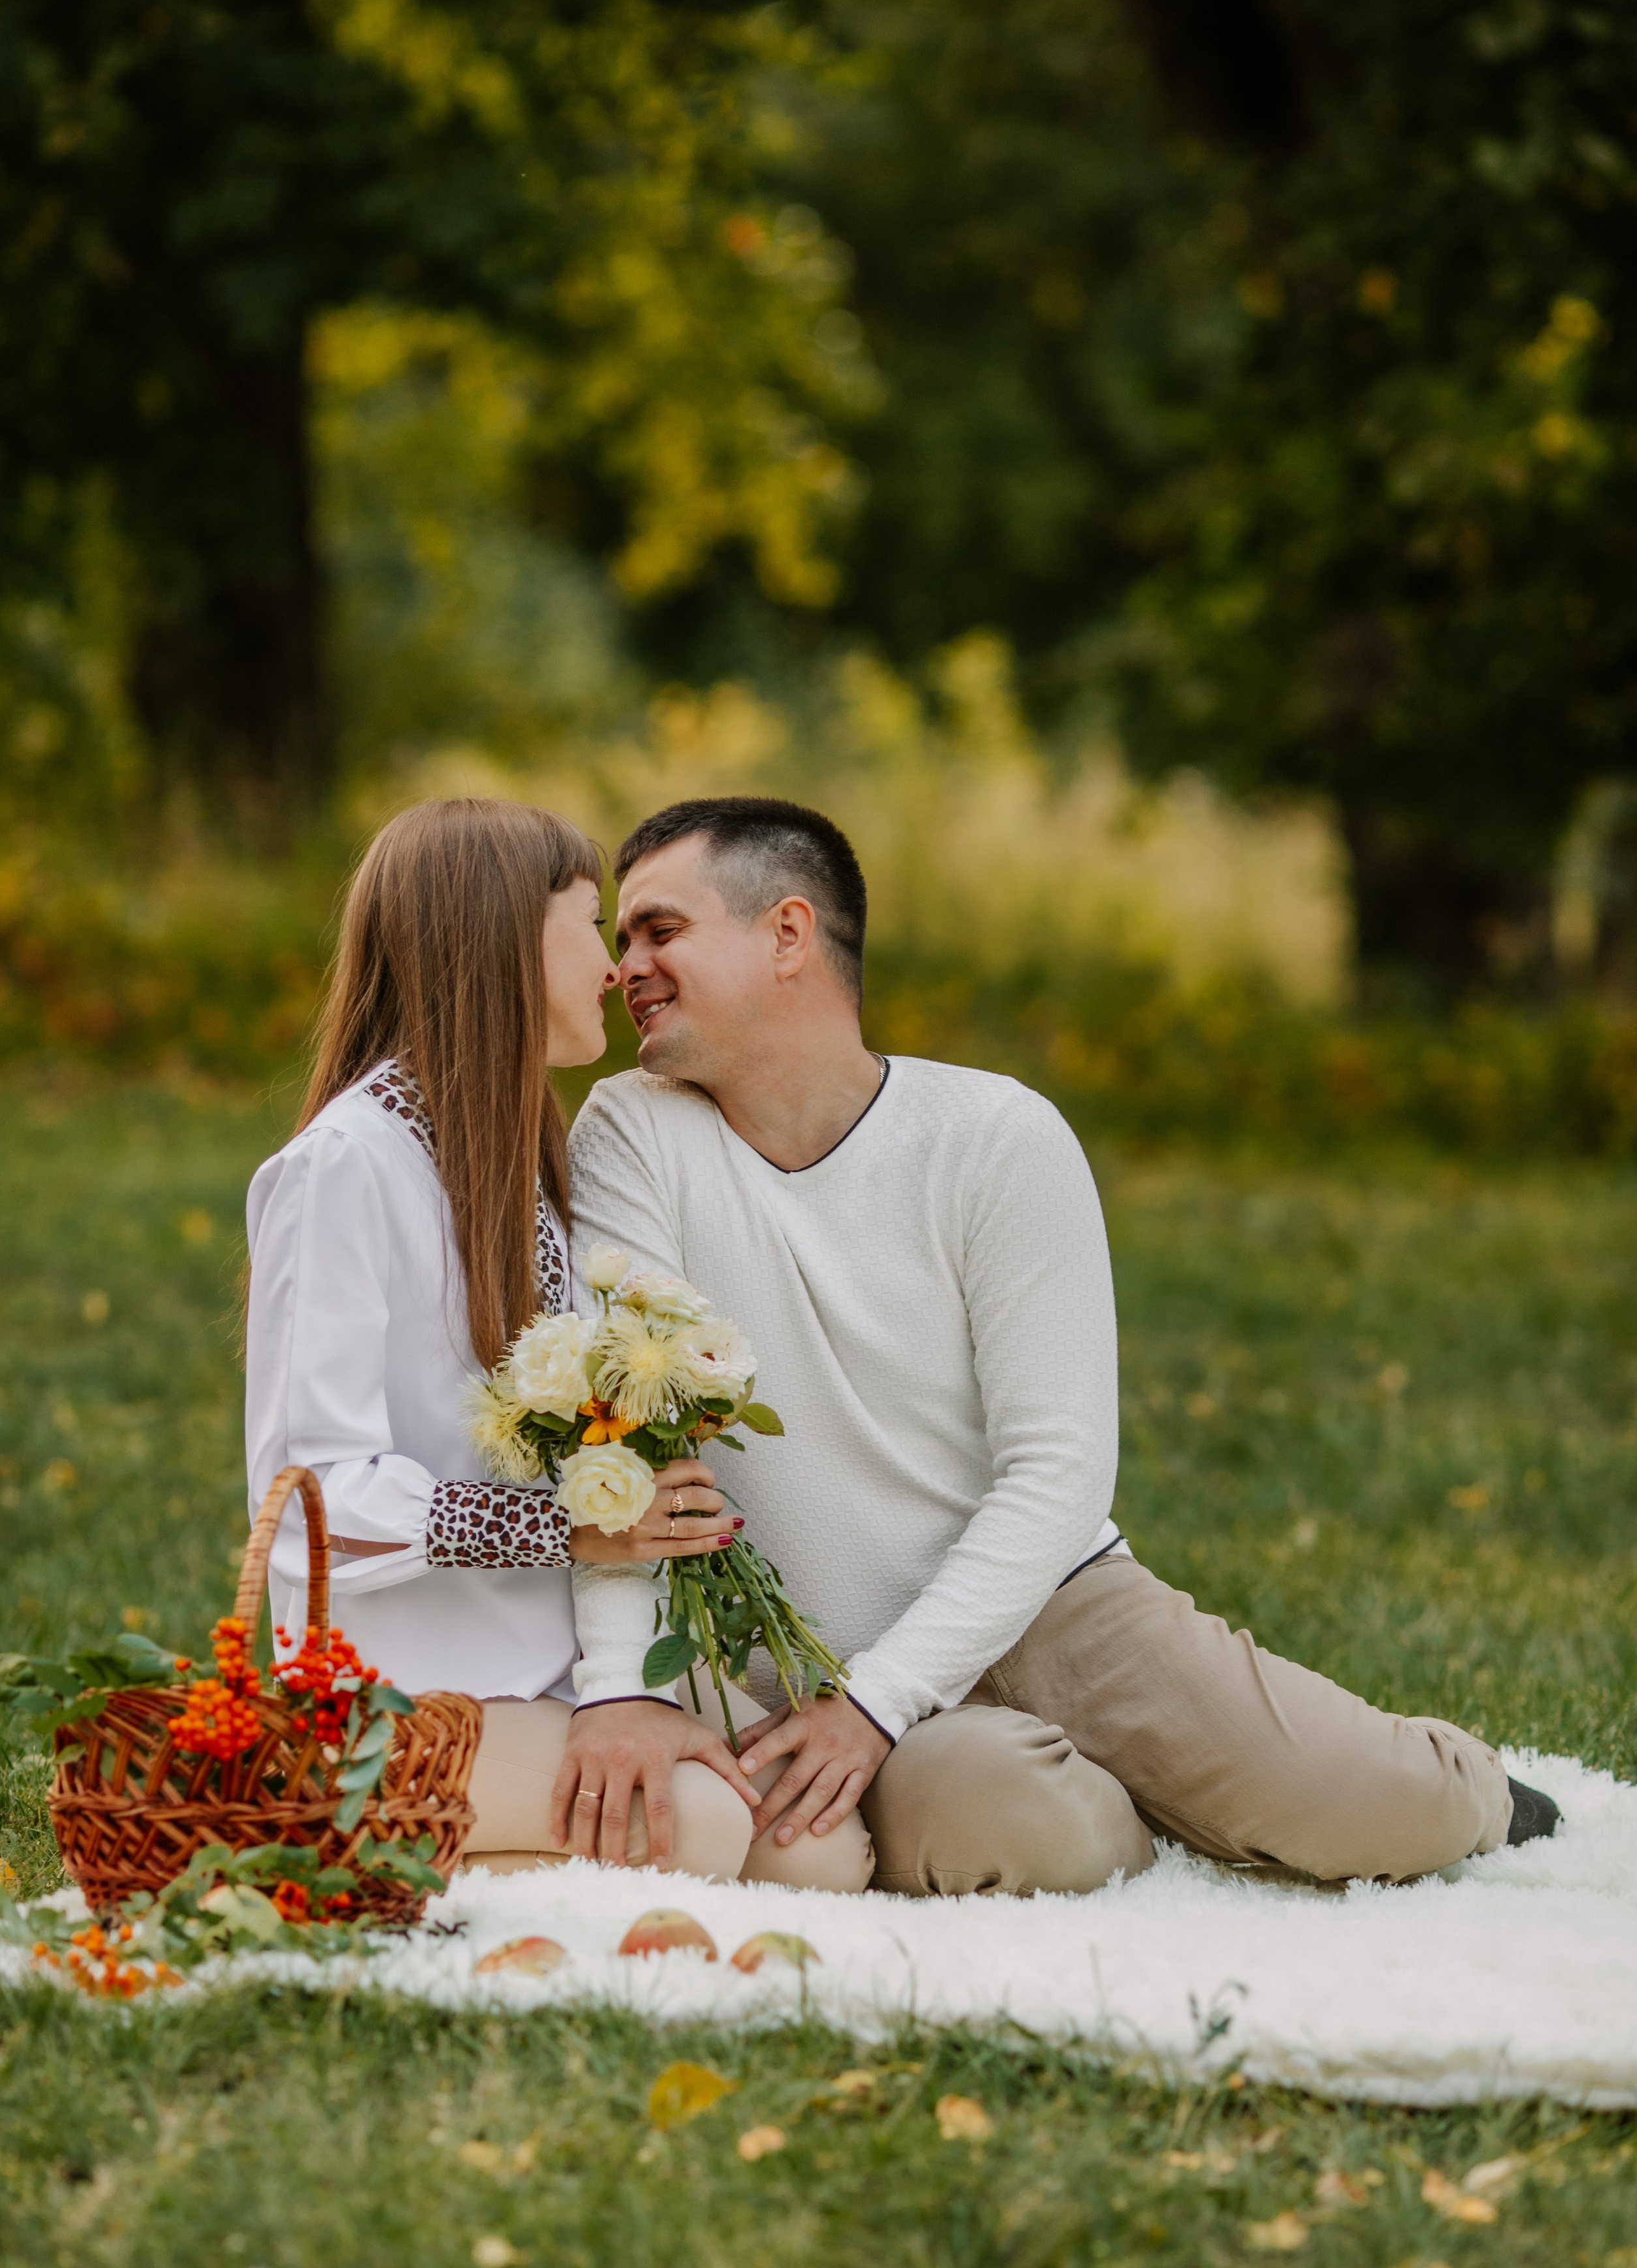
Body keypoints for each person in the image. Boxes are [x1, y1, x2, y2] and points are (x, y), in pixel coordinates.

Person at [568, 794, 1561, 1895]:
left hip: (1052, 1605)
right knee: (1029, 1831)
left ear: (789, 934)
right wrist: (652, 1686)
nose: (626, 969)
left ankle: (1454, 1780)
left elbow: (1060, 1472)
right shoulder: (629, 1132)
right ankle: (1148, 1811)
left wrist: (881, 1703)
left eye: (660, 930)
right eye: (619, 941)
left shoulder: (995, 1135)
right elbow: (632, 1445)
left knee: (1379, 1812)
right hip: (799, 1664)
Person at [243, 795, 872, 1891]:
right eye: (592, 927)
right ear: (499, 941)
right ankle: (333, 1848)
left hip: (532, 1672)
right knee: (707, 1831)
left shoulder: (523, 1159)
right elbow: (305, 1498)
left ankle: (422, 1858)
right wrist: (562, 1523)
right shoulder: (348, 1167)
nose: (616, 968)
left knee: (824, 1853)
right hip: (393, 1693)